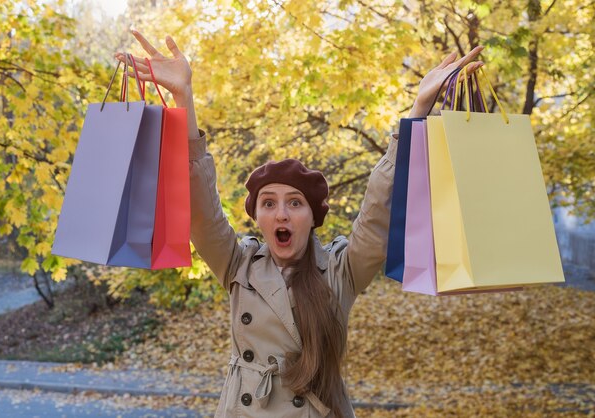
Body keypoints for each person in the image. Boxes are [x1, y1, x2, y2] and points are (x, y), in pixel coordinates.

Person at [116, 30, 484, 418]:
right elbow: (201, 211)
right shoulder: (237, 265)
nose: (281, 214)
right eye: (269, 204)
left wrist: (417, 111)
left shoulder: (340, 271)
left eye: (295, 203)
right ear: (256, 217)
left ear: (313, 217)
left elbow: (379, 213)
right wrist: (182, 98)